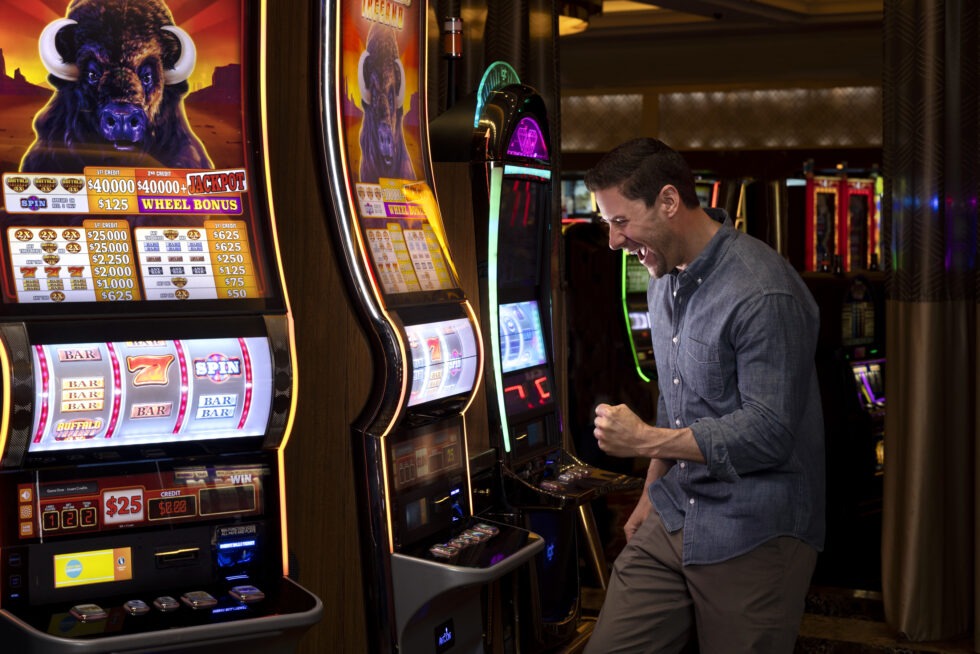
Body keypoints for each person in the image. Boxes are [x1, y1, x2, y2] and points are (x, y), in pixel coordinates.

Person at [581, 137, 825, 654]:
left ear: (668, 202)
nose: (612, 241)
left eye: (621, 222)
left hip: (754, 529)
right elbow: (675, 400)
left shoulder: (763, 291)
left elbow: (769, 434)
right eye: (608, 224)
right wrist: (650, 491)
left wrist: (645, 441)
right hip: (676, 511)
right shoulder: (661, 277)